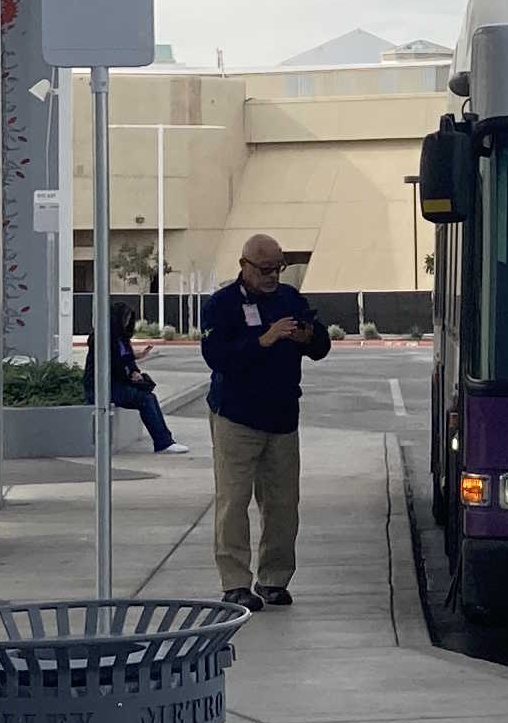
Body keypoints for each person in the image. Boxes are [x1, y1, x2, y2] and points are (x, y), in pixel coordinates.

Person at [199, 234, 330, 611]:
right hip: (237, 417)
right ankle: (235, 582)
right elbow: (217, 357)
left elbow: (319, 346)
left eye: (278, 268)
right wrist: (264, 340)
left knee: (282, 504)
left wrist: (308, 336)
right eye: (265, 269)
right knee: (233, 501)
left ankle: (273, 579)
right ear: (244, 266)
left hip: (283, 416)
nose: (273, 276)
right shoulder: (222, 305)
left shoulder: (289, 298)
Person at [86, 298, 191, 455]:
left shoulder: (122, 338)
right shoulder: (101, 337)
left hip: (118, 383)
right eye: (125, 319)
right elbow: (111, 362)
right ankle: (163, 442)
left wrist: (135, 371)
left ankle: (164, 441)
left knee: (149, 397)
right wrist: (133, 357)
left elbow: (126, 361)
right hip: (102, 387)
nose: (127, 322)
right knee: (145, 400)